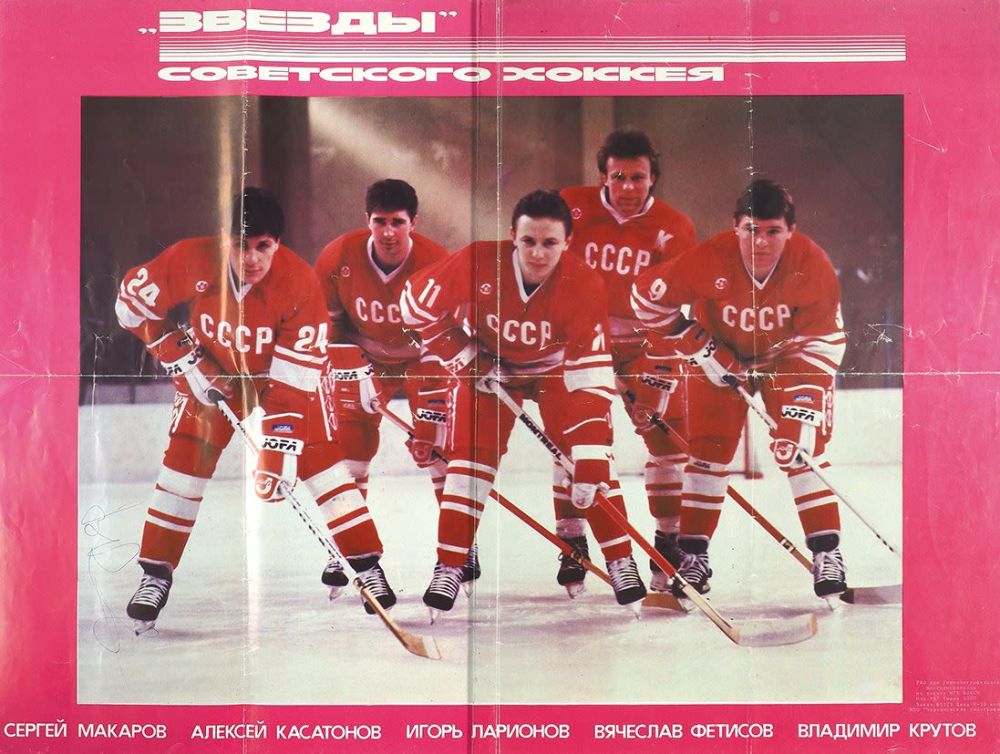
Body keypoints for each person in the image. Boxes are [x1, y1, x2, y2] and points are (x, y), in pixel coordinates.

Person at [115, 187, 394, 632]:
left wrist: (279, 448)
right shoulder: (189, 258)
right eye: (241, 245)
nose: (252, 258)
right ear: (224, 238)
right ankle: (155, 576)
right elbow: (129, 307)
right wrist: (175, 350)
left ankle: (366, 566)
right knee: (183, 463)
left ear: (277, 244)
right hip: (216, 370)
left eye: (263, 246)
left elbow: (294, 382)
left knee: (321, 462)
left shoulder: (300, 283)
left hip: (284, 378)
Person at [400, 189, 647, 618]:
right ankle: (450, 564)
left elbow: (590, 374)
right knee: (468, 463)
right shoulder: (478, 260)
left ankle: (621, 559)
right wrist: (465, 356)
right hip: (491, 368)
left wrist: (589, 454)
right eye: (528, 241)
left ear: (567, 243)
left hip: (556, 372)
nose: (537, 253)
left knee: (591, 464)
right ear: (512, 235)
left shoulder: (584, 283)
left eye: (550, 243)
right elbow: (413, 305)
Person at [631, 179, 848, 597]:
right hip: (720, 359)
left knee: (802, 450)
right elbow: (645, 297)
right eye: (751, 229)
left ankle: (828, 552)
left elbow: (823, 343)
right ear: (735, 226)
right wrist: (694, 340)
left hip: (787, 363)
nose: (760, 241)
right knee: (707, 454)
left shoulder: (813, 265)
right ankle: (693, 557)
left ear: (790, 230)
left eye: (772, 231)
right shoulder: (709, 258)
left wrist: (799, 411)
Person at [314, 179, 478, 592]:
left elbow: (446, 335)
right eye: (380, 221)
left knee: (438, 448)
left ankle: (461, 545)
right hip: (363, 357)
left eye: (398, 222)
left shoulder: (435, 261)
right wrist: (349, 368)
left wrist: (433, 407)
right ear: (367, 221)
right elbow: (328, 327)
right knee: (352, 449)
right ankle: (346, 544)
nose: (388, 232)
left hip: (423, 358)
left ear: (413, 223)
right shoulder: (337, 257)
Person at [558, 129, 697, 594]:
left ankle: (668, 542)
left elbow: (675, 305)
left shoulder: (675, 227)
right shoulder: (571, 207)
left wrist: (658, 372)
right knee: (576, 443)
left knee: (668, 441)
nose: (628, 187)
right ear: (604, 176)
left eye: (638, 177)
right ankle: (573, 540)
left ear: (653, 178)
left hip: (643, 342)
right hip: (585, 340)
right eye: (618, 177)